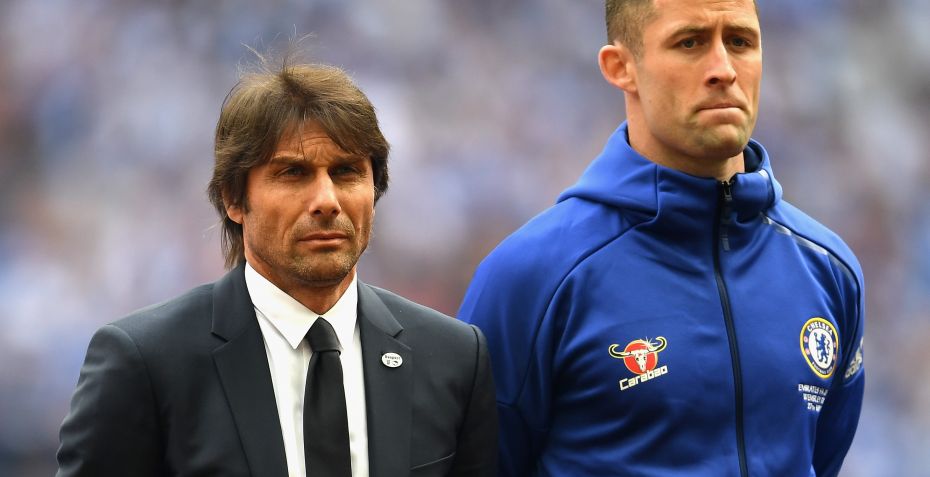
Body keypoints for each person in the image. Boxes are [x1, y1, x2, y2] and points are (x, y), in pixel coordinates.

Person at [458, 1, 865, 476]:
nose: (724, 69)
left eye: (740, 41)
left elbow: (822, 457)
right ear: (620, 67)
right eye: (690, 42)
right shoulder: (532, 277)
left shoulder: (828, 269)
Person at [57, 52, 497, 477]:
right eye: (293, 173)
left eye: (346, 172)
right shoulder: (146, 363)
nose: (327, 200)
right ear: (234, 199)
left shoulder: (453, 358)